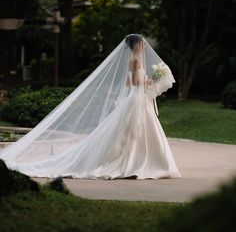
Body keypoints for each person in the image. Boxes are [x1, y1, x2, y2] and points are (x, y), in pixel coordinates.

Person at [0, 34, 181, 179]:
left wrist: (146, 81)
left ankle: (139, 160)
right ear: (137, 45)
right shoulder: (136, 61)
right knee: (134, 132)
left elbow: (127, 83)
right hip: (136, 100)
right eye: (142, 43)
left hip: (135, 99)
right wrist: (150, 80)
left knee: (133, 132)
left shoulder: (131, 60)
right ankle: (139, 162)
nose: (144, 46)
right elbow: (134, 81)